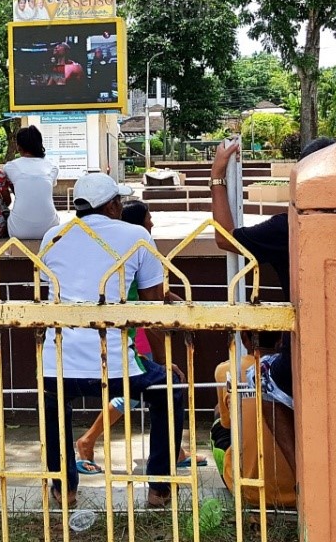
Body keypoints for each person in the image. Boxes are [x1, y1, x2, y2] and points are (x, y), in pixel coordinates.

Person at [39, 175, 184, 508]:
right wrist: (162, 362)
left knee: (51, 403)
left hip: (56, 360)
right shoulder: (136, 236)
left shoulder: (53, 236)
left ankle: (64, 490)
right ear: (113, 205)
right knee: (170, 388)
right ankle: (159, 489)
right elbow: (152, 309)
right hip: (115, 364)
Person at [209, 136, 336, 461]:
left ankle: (302, 475)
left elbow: (226, 239)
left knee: (260, 380)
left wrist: (217, 175)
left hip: (306, 346)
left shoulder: (290, 226)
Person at [72, 201, 204, 473]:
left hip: (132, 329)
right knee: (146, 391)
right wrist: (162, 357)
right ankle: (88, 441)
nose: (152, 223)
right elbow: (153, 299)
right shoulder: (139, 247)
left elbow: (161, 293)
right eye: (149, 218)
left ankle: (174, 450)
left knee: (133, 395)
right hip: (136, 332)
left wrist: (184, 304)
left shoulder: (128, 249)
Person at [210, 331, 297, 508]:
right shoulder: (293, 369)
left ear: (244, 339)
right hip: (296, 491)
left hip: (251, 492)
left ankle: (235, 478)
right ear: (281, 339)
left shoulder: (226, 370)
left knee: (218, 422)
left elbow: (227, 424)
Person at [2, 126, 60, 239]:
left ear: (19, 147)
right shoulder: (52, 167)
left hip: (18, 230)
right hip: (50, 230)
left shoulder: (10, 167)